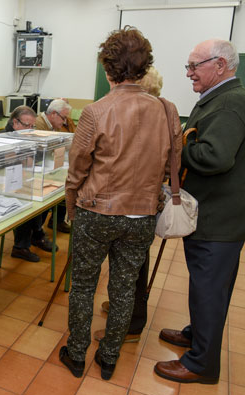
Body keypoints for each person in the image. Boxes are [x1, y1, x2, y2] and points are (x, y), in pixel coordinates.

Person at [59, 27, 182, 381]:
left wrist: (71, 207)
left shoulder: (96, 111)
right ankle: (109, 357)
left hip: (96, 211)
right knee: (125, 287)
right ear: (145, 66)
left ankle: (78, 354)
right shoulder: (168, 110)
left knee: (83, 285)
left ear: (108, 67)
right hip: (142, 213)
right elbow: (172, 162)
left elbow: (77, 170)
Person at [154, 39, 245, 384]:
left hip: (219, 217)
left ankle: (201, 364)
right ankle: (196, 335)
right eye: (188, 66)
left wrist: (178, 149)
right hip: (217, 213)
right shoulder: (223, 97)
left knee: (210, 289)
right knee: (206, 285)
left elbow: (215, 157)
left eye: (194, 66)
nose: (189, 73)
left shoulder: (228, 103)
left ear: (220, 65)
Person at [94, 66, 164, 345]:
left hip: (132, 202)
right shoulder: (157, 111)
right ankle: (125, 311)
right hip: (137, 202)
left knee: (132, 268)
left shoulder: (151, 114)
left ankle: (130, 324)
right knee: (131, 265)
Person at [4, 105, 55, 262]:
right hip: (6, 183)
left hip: (26, 178)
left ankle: (37, 234)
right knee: (26, 203)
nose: (30, 129)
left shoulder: (28, 134)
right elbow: (4, 164)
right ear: (15, 122)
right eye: (27, 125)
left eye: (32, 125)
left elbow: (36, 156)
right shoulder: (3, 137)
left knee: (45, 199)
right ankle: (20, 247)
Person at [34, 98, 76, 233]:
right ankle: (37, 232)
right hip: (37, 170)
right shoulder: (39, 124)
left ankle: (56, 221)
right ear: (53, 114)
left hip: (47, 167)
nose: (64, 122)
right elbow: (44, 149)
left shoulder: (53, 126)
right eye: (63, 118)